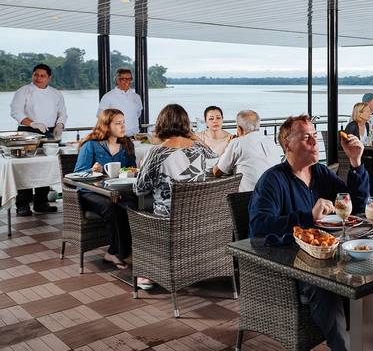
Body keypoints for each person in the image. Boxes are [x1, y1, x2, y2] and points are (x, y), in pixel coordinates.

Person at [249, 115, 373, 351]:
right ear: (287, 144)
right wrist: (307, 217)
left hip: (331, 259)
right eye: (306, 137)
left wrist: (356, 162)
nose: (315, 141)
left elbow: (353, 204)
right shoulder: (272, 180)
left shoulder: (320, 172)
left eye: (315, 135)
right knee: (325, 288)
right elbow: (259, 226)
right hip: (292, 266)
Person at [74, 109, 136, 270]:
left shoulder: (127, 144)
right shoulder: (91, 145)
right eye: (118, 123)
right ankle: (113, 253)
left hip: (118, 192)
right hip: (90, 193)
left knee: (134, 204)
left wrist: (132, 171)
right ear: (107, 125)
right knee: (111, 207)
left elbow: (132, 169)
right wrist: (92, 170)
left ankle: (131, 250)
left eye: (123, 122)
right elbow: (78, 174)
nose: (123, 126)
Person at [135, 104, 217, 218]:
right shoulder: (199, 148)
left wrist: (144, 166)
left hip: (165, 222)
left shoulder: (157, 152)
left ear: (161, 124)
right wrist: (191, 134)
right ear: (186, 124)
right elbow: (213, 157)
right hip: (198, 219)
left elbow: (140, 189)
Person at [9, 63, 67, 216]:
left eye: (42, 76)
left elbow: (63, 112)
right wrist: (32, 123)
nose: (38, 78)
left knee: (44, 167)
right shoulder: (23, 91)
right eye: (36, 75)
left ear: (49, 77)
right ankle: (22, 205)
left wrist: (60, 124)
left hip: (48, 132)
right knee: (26, 168)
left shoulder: (56, 93)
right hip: (26, 133)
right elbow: (16, 112)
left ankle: (41, 202)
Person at [213, 110, 283, 191]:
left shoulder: (237, 143)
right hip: (276, 193)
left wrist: (228, 144)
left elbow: (217, 172)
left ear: (239, 129)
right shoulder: (271, 141)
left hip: (249, 197)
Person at [97, 68, 143, 137]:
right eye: (123, 79)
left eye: (129, 79)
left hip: (134, 136)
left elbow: (138, 114)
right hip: (115, 136)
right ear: (117, 80)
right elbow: (100, 116)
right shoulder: (108, 96)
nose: (127, 81)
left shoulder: (136, 97)